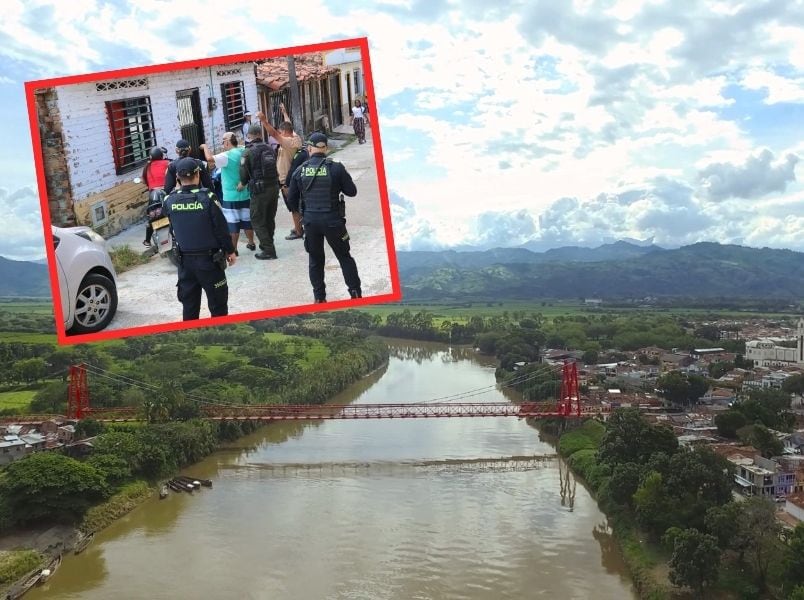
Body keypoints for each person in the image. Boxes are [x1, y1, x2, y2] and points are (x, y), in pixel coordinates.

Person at [287, 132, 361, 303]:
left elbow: (291, 201)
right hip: (333, 221)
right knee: (344, 257)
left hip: (311, 222)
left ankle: (319, 298)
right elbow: (352, 191)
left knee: (315, 260)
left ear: (309, 148)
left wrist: (303, 212)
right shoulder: (336, 168)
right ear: (326, 148)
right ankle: (355, 294)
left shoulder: (300, 170)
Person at [162, 157, 236, 320]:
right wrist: (230, 250)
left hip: (185, 263)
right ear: (198, 175)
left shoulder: (169, 200)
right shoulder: (208, 198)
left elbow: (168, 215)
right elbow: (221, 229)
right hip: (210, 262)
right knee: (218, 308)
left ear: (177, 178)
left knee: (189, 308)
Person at [200, 132, 255, 255]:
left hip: (231, 197)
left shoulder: (227, 156)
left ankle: (234, 249)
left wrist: (205, 147)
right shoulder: (243, 150)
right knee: (247, 221)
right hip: (245, 194)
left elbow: (209, 159)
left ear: (227, 142)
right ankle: (251, 243)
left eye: (223, 141)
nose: (222, 144)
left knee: (233, 224)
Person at [254, 105, 304, 241]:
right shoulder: (295, 137)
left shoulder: (288, 142)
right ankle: (298, 226)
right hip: (290, 178)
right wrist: (284, 113)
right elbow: (289, 124)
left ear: (285, 132)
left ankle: (298, 231)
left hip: (287, 180)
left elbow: (274, 134)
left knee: (293, 206)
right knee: (295, 204)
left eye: (281, 132)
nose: (280, 134)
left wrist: (264, 121)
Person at [239, 123, 279, 260]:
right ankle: (268, 243)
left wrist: (243, 182)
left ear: (249, 136)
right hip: (274, 187)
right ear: (260, 134)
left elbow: (243, 173)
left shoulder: (248, 151)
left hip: (259, 190)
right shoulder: (269, 148)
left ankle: (268, 250)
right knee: (269, 218)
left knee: (257, 219)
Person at [141, 147, 171, 246]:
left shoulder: (147, 167)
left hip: (153, 195)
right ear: (161, 155)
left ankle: (147, 241)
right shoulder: (167, 163)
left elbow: (144, 181)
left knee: (152, 216)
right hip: (166, 192)